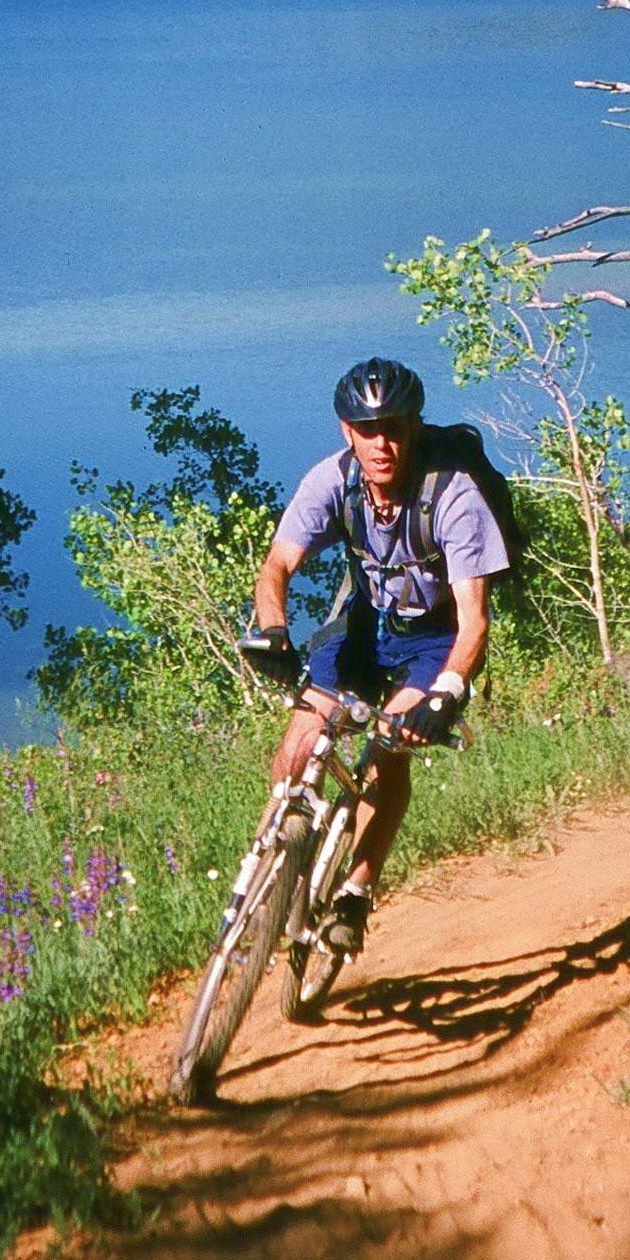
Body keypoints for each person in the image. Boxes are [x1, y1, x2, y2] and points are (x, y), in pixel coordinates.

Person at [238, 357, 506, 961]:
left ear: (414, 426)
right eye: (366, 429)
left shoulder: (453, 498)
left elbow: (474, 621)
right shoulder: (333, 481)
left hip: (435, 642)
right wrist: (275, 632)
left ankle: (355, 893)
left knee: (388, 751)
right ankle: (277, 862)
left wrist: (448, 693)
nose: (381, 443)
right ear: (346, 432)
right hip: (367, 626)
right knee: (300, 740)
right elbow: (278, 565)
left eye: (394, 427)